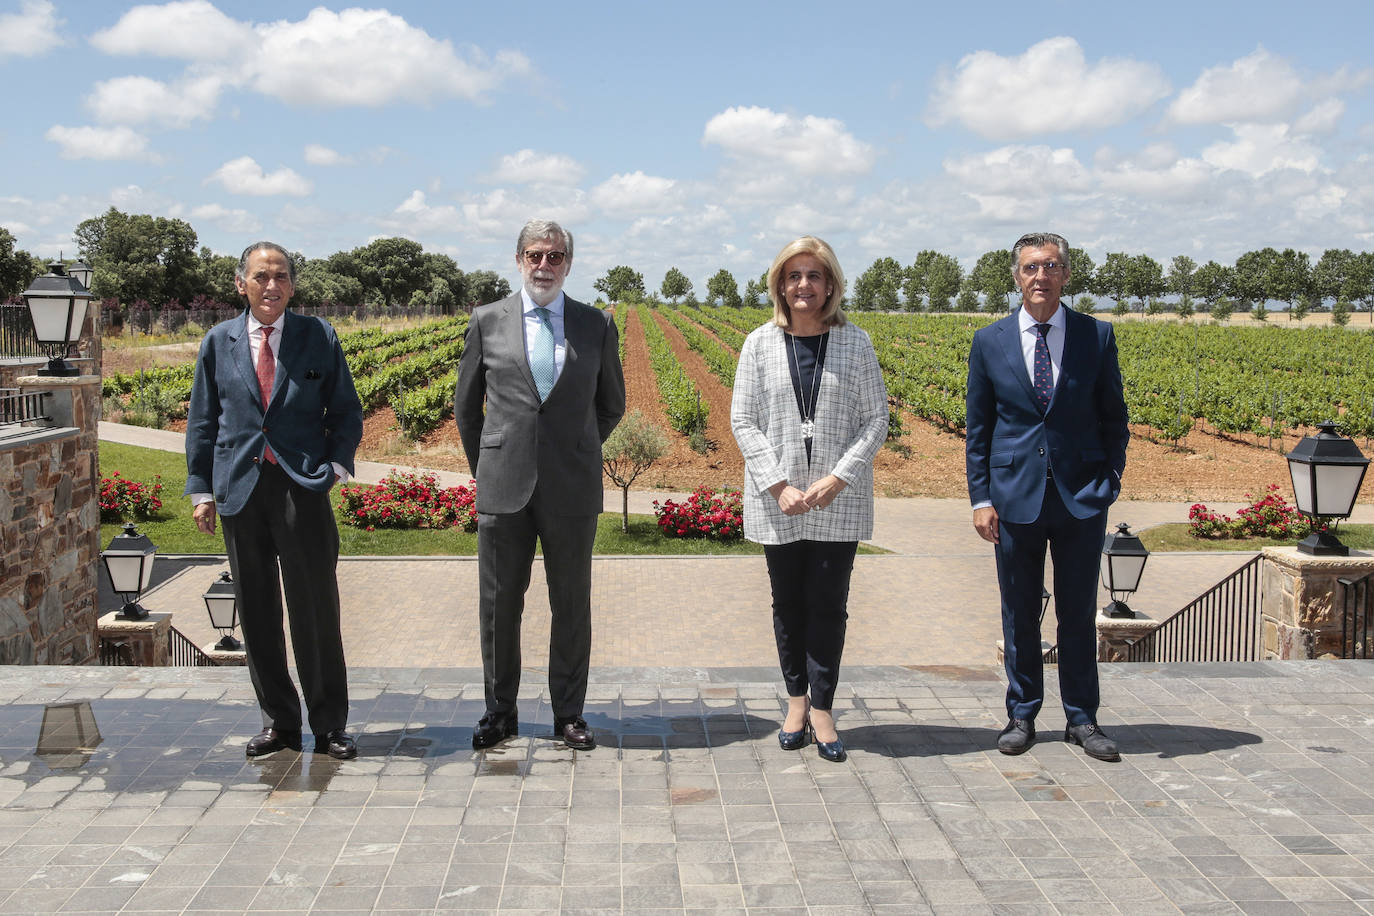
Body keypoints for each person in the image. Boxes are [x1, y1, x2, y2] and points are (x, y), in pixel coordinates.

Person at [184, 241, 363, 760]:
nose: (271, 285)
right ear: (241, 284)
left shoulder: (318, 337)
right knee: (258, 614)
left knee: (315, 611)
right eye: (261, 276)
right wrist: (201, 489)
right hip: (241, 493)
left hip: (302, 490)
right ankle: (279, 723)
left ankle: (329, 725)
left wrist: (334, 466)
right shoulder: (218, 343)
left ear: (292, 284)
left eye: (281, 276)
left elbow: (346, 411)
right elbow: (203, 422)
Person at [454, 219, 625, 751]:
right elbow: (466, 409)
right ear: (519, 259)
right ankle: (499, 712)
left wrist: (575, 445)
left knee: (571, 604)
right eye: (534, 255)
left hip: (571, 488)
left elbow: (611, 404)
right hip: (503, 488)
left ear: (568, 264)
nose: (544, 266)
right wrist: (489, 463)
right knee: (499, 605)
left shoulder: (594, 324)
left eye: (555, 257)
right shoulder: (487, 321)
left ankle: (568, 714)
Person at [965, 232, 1130, 761]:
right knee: (1018, 612)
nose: (1041, 276)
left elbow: (1114, 418)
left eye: (1052, 266)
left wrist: (1110, 482)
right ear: (1017, 276)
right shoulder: (989, 342)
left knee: (1078, 613)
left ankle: (1082, 719)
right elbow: (980, 430)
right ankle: (1022, 713)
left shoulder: (1095, 336)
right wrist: (980, 499)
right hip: (1014, 498)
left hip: (1081, 497)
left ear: (1065, 275)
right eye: (1032, 267)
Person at [730, 236, 888, 763]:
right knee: (788, 605)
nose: (803, 285)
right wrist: (777, 483)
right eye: (794, 275)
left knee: (828, 606)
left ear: (830, 285)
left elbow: (875, 420)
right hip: (780, 500)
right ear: (780, 283)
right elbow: (743, 420)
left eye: (814, 275)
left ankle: (823, 707)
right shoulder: (758, 344)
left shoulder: (856, 343)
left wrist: (839, 477)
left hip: (835, 501)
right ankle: (795, 702)